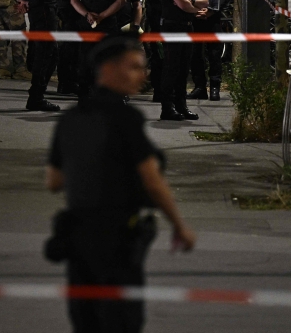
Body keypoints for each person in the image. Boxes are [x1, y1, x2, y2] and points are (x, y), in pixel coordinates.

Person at [46, 36, 195, 333]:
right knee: (121, 319)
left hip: (77, 235)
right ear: (109, 69)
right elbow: (152, 181)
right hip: (117, 236)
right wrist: (179, 225)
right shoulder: (126, 119)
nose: (144, 75)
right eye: (135, 67)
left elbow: (54, 181)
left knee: (85, 319)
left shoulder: (71, 119)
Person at [70, 0, 127, 99]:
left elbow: (74, 0)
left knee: (86, 61)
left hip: (87, 25)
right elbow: (121, 0)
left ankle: (84, 98)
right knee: (108, 61)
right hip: (108, 25)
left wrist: (87, 14)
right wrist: (103, 15)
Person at [158, 0, 208, 121]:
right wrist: (195, 10)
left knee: (183, 69)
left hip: (187, 28)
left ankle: (181, 105)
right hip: (173, 28)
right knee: (171, 68)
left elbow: (205, 0)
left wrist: (191, 2)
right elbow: (182, 4)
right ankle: (167, 107)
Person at [186, 0, 232, 101]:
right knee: (196, 55)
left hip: (213, 20)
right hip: (196, 20)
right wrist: (194, 10)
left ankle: (214, 88)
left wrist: (212, 12)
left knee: (214, 55)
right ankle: (199, 87)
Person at [24, 0, 62, 112]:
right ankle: (37, 96)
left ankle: (37, 94)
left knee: (45, 54)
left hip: (39, 14)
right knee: (47, 55)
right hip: (44, 15)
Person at [144, 0, 172, 102]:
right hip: (160, 20)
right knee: (162, 56)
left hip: (157, 19)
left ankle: (159, 90)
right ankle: (160, 91)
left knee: (159, 55)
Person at [54, 0, 83, 96]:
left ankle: (65, 84)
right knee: (71, 52)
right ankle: (69, 84)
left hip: (64, 13)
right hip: (71, 14)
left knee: (66, 50)